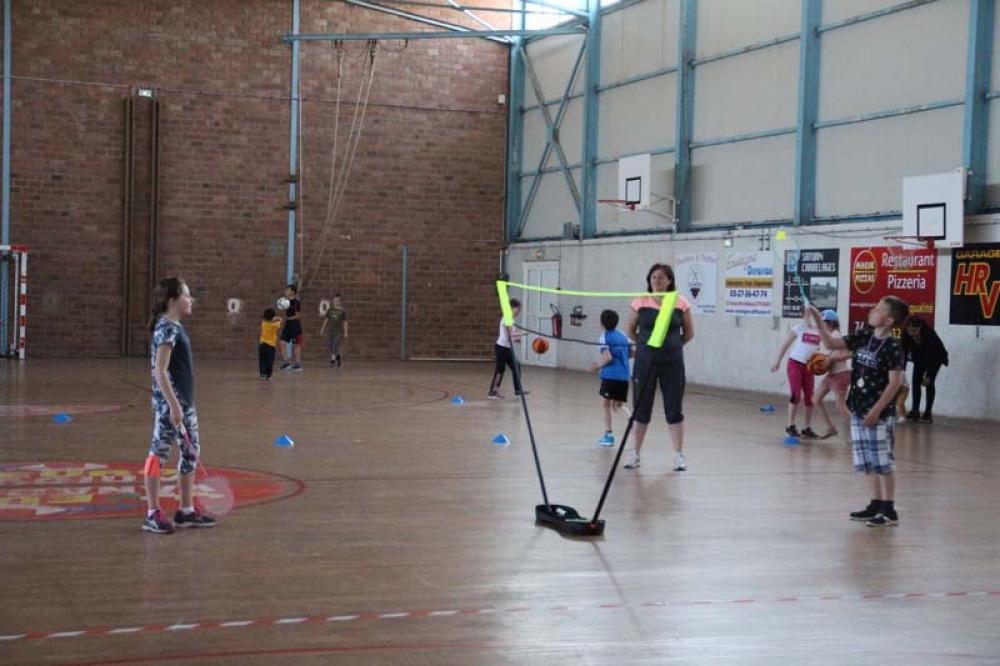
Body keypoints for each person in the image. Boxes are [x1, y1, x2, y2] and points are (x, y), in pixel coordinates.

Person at [808, 296, 908, 527]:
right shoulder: (863, 336)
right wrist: (818, 321)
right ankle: (875, 504)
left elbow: (895, 382)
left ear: (889, 320)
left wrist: (877, 410)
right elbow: (831, 344)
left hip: (879, 412)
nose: (872, 310)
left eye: (879, 309)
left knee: (883, 462)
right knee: (867, 461)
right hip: (858, 407)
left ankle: (889, 510)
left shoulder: (893, 346)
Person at [143, 277, 216, 534]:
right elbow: (160, 371)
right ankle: (152, 513)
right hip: (170, 407)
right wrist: (174, 407)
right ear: (172, 301)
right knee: (158, 455)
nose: (191, 299)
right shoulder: (166, 328)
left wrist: (182, 406)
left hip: (184, 405)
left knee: (190, 453)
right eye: (186, 295)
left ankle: (186, 511)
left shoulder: (176, 327)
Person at [622, 263, 694, 471]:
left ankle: (679, 455)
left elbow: (689, 333)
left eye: (661, 277)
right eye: (653, 277)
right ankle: (634, 454)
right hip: (645, 364)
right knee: (641, 409)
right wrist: (647, 347)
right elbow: (630, 329)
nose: (657, 281)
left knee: (674, 409)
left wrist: (672, 346)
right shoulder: (640, 302)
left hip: (672, 364)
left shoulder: (680, 303)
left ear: (669, 280)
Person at [590, 309, 632, 446]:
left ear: (601, 322)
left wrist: (598, 367)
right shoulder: (623, 335)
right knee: (618, 405)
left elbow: (608, 357)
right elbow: (633, 352)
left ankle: (608, 436)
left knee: (606, 405)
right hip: (624, 375)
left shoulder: (604, 337)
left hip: (611, 376)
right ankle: (634, 423)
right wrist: (622, 358)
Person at [900, 317, 948, 424]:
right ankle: (915, 411)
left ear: (920, 327)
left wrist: (929, 375)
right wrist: (902, 370)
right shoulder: (906, 334)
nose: (912, 334)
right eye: (910, 331)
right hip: (919, 358)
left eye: (915, 331)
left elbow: (934, 356)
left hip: (935, 358)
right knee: (915, 382)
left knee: (928, 383)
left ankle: (928, 413)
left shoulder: (930, 335)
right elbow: (904, 351)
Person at [812, 309, 852, 439]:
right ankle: (831, 428)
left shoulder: (836, 335)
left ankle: (859, 431)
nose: (821, 324)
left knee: (840, 406)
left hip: (840, 375)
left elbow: (849, 354)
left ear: (830, 323)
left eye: (823, 322)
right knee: (815, 399)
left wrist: (832, 359)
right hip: (831, 375)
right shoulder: (828, 336)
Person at [487, 298, 527, 399]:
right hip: (501, 348)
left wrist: (517, 339)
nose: (519, 312)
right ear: (512, 308)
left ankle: (518, 390)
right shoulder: (506, 319)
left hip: (508, 348)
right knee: (500, 370)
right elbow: (508, 336)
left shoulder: (511, 320)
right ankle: (492, 392)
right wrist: (522, 333)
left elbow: (511, 337)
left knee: (516, 366)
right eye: (518, 310)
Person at [279, 284, 303, 372]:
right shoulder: (286, 302)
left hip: (295, 326)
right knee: (282, 342)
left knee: (296, 345)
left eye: (288, 290)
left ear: (293, 292)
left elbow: (298, 316)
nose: (286, 291)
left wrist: (288, 318)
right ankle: (286, 363)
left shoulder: (296, 302)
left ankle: (297, 364)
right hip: (288, 325)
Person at [320, 294, 349, 366]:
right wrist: (322, 328)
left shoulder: (343, 311)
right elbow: (326, 319)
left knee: (335, 344)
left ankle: (333, 360)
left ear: (340, 301)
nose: (336, 302)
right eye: (335, 300)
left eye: (338, 301)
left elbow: (345, 322)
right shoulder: (330, 310)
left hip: (338, 331)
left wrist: (346, 332)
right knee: (330, 344)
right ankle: (338, 356)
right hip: (330, 330)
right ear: (333, 301)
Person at [259, 308, 281, 380]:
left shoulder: (263, 323)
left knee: (262, 360)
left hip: (262, 344)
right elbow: (280, 320)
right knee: (270, 361)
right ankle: (269, 375)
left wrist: (272, 319)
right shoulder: (274, 325)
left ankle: (262, 374)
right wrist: (276, 318)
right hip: (271, 346)